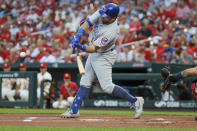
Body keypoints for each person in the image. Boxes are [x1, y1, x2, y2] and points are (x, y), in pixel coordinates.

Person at [61, 3, 144, 119]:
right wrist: (78, 35)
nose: (103, 17)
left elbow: (93, 48)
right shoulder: (102, 12)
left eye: (106, 16)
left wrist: (80, 47)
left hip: (104, 55)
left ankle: (135, 101)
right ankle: (74, 110)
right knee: (85, 80)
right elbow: (87, 23)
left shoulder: (112, 31)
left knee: (107, 87)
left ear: (113, 18)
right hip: (95, 53)